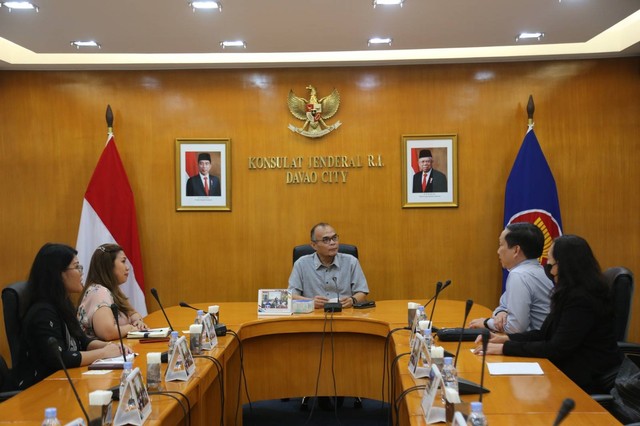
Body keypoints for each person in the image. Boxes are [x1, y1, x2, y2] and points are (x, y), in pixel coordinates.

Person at [473, 235, 623, 394]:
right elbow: (544, 334)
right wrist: (505, 339)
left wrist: (504, 348)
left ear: (567, 266)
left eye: (552, 265)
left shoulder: (582, 299)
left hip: (586, 378)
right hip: (567, 369)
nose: (550, 271)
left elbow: (556, 348)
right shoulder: (568, 292)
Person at [12, 243, 130, 390]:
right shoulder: (42, 313)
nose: (81, 272)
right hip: (42, 388)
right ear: (58, 274)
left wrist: (110, 346)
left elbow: (82, 341)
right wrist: (103, 353)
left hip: (65, 383)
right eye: (76, 267)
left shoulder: (63, 303)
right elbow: (60, 358)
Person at [468, 222, 553, 333]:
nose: (498, 251)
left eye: (501, 245)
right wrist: (501, 313)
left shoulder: (519, 275)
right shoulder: (540, 271)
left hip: (535, 346)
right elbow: (504, 304)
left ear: (516, 250)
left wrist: (486, 323)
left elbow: (515, 328)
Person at [288, 223, 369, 309]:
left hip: (345, 314)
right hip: (313, 316)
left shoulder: (351, 262)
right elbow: (291, 296)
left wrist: (352, 300)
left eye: (334, 238)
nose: (333, 243)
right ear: (314, 245)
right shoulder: (301, 264)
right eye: (326, 240)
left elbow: (362, 292)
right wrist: (310, 302)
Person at [77, 243, 148, 340]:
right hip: (104, 353)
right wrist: (131, 328)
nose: (127, 267)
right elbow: (107, 333)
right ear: (109, 265)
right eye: (123, 261)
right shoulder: (99, 292)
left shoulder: (112, 289)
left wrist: (138, 321)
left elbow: (132, 313)